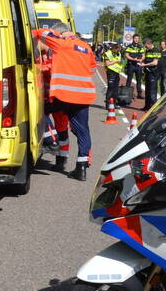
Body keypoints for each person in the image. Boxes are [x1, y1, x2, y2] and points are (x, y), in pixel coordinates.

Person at [33, 22, 102, 181]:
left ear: (60, 33)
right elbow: (91, 69)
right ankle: (82, 168)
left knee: (39, 109)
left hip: (64, 96)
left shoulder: (61, 43)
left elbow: (41, 32)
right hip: (84, 96)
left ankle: (50, 139)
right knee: (83, 131)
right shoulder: (86, 48)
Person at [101, 42, 124, 110]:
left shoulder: (118, 53)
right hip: (110, 72)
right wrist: (116, 61)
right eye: (117, 50)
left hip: (117, 72)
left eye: (119, 50)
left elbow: (119, 60)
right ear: (114, 48)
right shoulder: (107, 53)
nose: (118, 51)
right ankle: (108, 104)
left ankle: (114, 104)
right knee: (110, 88)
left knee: (115, 89)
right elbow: (107, 64)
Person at [140, 38, 162, 111]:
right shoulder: (147, 51)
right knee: (147, 91)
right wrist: (142, 62)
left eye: (146, 46)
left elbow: (155, 62)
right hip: (148, 73)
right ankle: (147, 106)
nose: (145, 47)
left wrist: (145, 65)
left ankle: (152, 109)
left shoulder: (156, 51)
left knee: (152, 91)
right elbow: (146, 59)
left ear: (149, 44)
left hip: (154, 73)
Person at [123, 34, 145, 100]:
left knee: (139, 80)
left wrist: (142, 59)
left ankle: (139, 94)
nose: (136, 40)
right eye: (135, 38)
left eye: (138, 38)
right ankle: (126, 93)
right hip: (131, 65)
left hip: (138, 65)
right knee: (129, 79)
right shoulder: (129, 46)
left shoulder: (140, 47)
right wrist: (133, 59)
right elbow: (126, 55)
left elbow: (143, 55)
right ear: (133, 39)